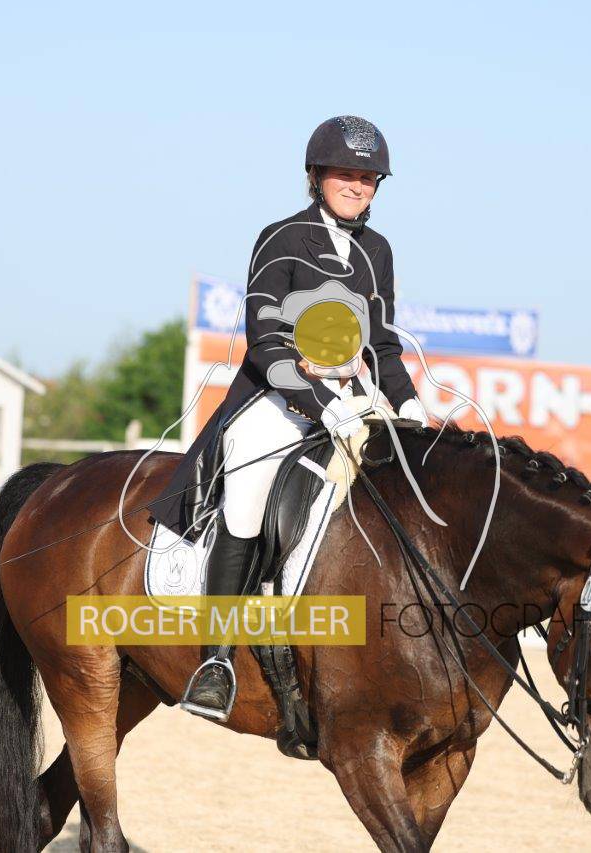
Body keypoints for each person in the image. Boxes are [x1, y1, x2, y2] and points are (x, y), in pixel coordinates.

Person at [151, 115, 429, 720]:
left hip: (357, 401)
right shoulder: (281, 238)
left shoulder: (378, 251)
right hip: (277, 401)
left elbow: (382, 346)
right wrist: (323, 405)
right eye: (345, 174)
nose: (357, 186)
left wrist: (410, 405)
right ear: (316, 176)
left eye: (368, 178)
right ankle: (216, 660)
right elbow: (266, 345)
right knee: (249, 493)